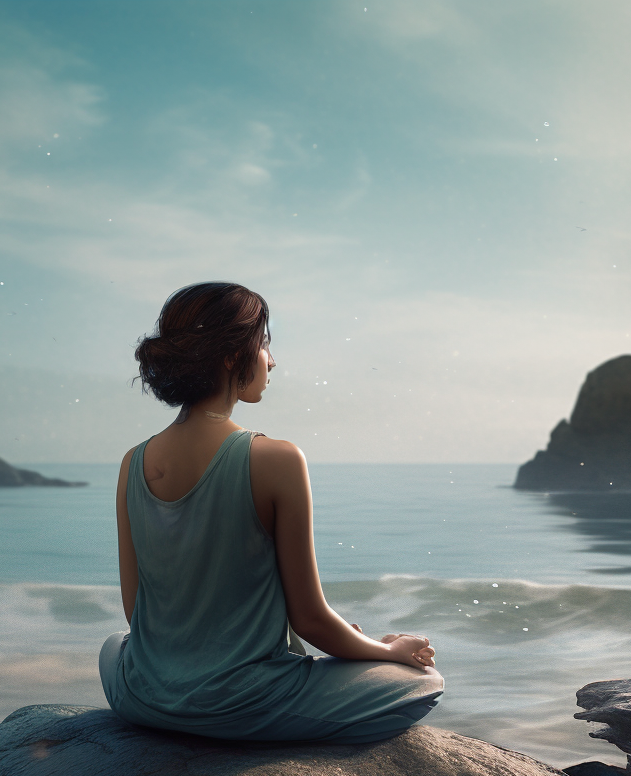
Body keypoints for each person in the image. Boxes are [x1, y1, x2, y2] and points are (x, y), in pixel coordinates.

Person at [99, 282, 442, 744]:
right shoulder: (276, 460)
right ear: (229, 355)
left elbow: (136, 612)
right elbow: (310, 620)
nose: (271, 360)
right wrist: (388, 650)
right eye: (263, 344)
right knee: (423, 683)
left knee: (111, 648)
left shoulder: (132, 462)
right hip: (241, 707)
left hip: (143, 698)